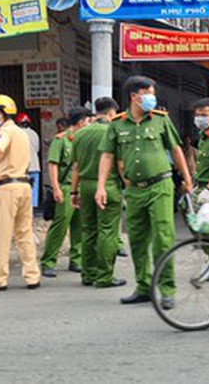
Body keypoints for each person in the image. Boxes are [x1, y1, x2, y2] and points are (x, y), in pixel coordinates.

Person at [96, 76, 193, 309]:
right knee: (138, 240)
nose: (152, 97)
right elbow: (107, 155)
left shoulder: (160, 121)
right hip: (134, 191)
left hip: (161, 185)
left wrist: (187, 179)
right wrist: (100, 186)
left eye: (152, 93)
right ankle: (143, 287)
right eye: (148, 93)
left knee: (163, 237)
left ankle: (167, 289)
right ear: (134, 96)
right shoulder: (117, 124)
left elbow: (176, 149)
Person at [70, 97, 127, 288]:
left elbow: (75, 167)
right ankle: (104, 277)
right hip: (108, 185)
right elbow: (120, 164)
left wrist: (73, 192)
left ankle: (88, 274)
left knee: (88, 230)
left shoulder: (80, 134)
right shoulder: (113, 131)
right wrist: (128, 185)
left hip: (85, 186)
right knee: (108, 232)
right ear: (112, 113)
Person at [0, 94, 38, 291]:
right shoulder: (22, 133)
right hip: (24, 185)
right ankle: (32, 276)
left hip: (6, 188)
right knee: (25, 233)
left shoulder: (5, 132)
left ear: (5, 114)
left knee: (0, 235)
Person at [40, 113, 87, 278]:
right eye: (87, 121)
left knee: (79, 225)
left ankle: (76, 259)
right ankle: (48, 261)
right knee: (60, 225)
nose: (89, 124)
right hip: (65, 187)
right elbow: (52, 165)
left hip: (81, 188)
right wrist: (56, 188)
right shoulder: (60, 140)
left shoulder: (83, 140)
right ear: (81, 122)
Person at [16, 113, 42, 205]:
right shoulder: (34, 134)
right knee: (33, 190)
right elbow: (37, 149)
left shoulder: (17, 134)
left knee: (21, 190)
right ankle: (34, 208)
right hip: (34, 166)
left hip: (21, 167)